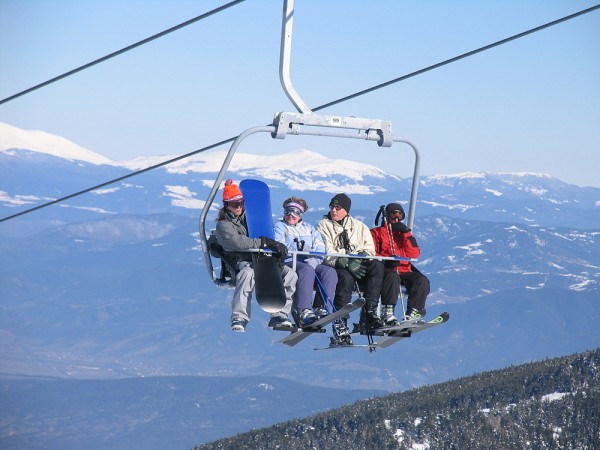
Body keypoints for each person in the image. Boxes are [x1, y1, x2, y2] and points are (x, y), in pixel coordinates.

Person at [215, 179, 296, 332]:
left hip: (262, 260)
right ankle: (239, 316)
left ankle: (280, 314)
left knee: (291, 274)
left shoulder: (250, 219)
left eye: (241, 202)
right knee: (247, 274)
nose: (239, 206)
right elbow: (238, 243)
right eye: (234, 204)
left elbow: (261, 231)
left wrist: (273, 246)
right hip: (239, 262)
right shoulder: (224, 225)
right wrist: (263, 242)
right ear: (226, 205)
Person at [317, 193, 384, 343]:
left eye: (338, 207)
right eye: (332, 207)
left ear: (346, 210)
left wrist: (360, 257)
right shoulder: (323, 225)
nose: (334, 210)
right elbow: (326, 250)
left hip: (359, 262)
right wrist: (346, 260)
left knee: (377, 266)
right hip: (337, 264)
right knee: (345, 278)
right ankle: (341, 321)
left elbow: (370, 249)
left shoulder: (359, 226)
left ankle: (370, 311)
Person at [273, 197, 338, 327]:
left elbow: (320, 245)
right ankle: (302, 309)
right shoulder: (280, 226)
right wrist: (300, 250)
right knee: (306, 271)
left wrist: (315, 258)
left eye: (295, 212)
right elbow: (279, 244)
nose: (290, 215)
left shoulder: (309, 228)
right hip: (290, 260)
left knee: (329, 272)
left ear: (300, 214)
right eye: (287, 212)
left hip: (309, 261)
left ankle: (321, 307)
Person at [370, 202, 430, 325]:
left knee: (421, 280)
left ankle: (413, 312)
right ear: (387, 216)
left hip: (403, 270)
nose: (396, 217)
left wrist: (406, 233)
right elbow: (372, 253)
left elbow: (414, 253)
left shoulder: (404, 234)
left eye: (399, 214)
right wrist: (387, 259)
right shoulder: (377, 232)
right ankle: (388, 312)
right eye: (393, 214)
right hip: (387, 269)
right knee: (392, 277)